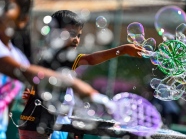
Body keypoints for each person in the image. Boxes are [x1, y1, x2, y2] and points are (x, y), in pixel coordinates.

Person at [0, 0, 118, 139]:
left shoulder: (18, 56)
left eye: (6, 6)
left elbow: (3, 106)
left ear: (22, 19)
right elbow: (24, 72)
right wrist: (76, 85)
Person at [19, 10, 144, 139]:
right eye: (72, 34)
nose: (76, 40)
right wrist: (122, 49)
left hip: (48, 123)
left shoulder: (45, 57)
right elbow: (90, 59)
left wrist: (31, 93)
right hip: (37, 126)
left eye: (79, 35)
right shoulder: (60, 57)